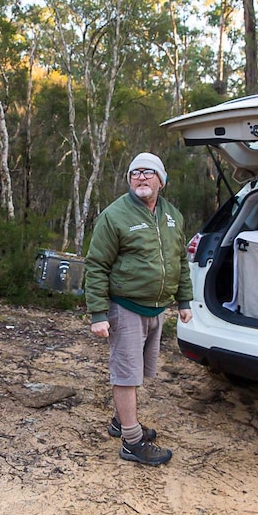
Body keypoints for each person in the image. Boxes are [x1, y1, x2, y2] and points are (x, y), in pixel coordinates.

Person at [84, 152, 193, 466]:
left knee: (138, 372)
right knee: (126, 376)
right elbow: (96, 265)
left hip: (156, 309)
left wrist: (184, 301)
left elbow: (179, 262)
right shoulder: (114, 215)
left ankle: (121, 422)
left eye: (148, 173)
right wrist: (98, 314)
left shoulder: (172, 215)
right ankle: (131, 442)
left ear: (161, 179)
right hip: (126, 307)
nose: (141, 178)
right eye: (135, 173)